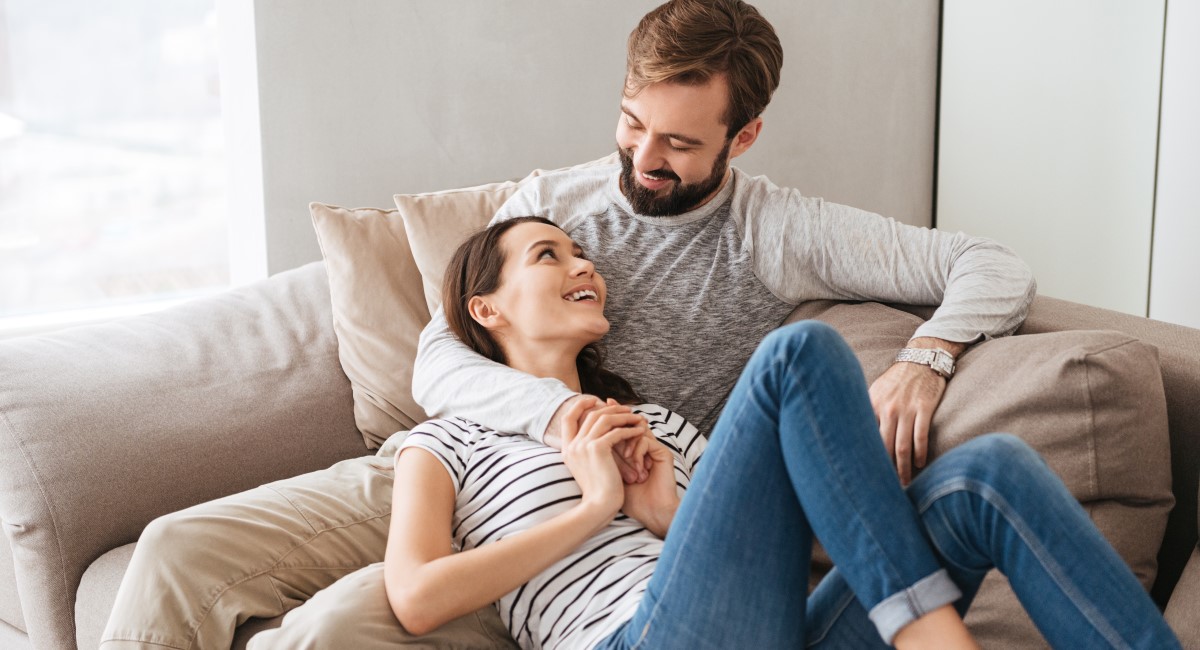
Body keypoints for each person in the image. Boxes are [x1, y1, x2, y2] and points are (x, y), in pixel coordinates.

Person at [386, 216, 1178, 649]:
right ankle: (929, 636)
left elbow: (795, 561)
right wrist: (591, 508)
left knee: (988, 473)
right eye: (548, 254)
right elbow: (417, 599)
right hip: (630, 640)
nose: (583, 264)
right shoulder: (449, 442)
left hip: (776, 634)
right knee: (799, 355)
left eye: (584, 251)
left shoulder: (656, 426)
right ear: (486, 309)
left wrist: (665, 515)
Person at [412, 0, 1036, 488]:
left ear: (743, 137)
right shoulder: (550, 205)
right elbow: (438, 357)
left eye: (680, 143)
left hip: (630, 503)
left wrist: (925, 359)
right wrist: (560, 416)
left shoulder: (776, 231)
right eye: (633, 122)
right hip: (468, 462)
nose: (644, 158)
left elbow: (989, 264)